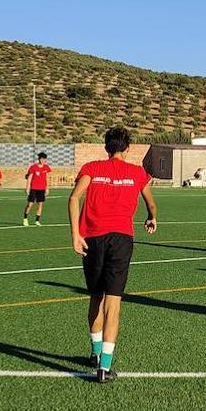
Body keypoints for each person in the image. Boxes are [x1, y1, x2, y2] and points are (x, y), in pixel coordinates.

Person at [67, 126, 157, 383]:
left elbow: (74, 198)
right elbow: (151, 203)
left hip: (92, 239)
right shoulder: (137, 173)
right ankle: (104, 367)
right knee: (113, 302)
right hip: (121, 239)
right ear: (127, 149)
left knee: (96, 297)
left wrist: (75, 235)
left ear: (106, 147)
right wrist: (151, 218)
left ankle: (95, 353)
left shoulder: (92, 169)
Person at [23, 152, 53, 226]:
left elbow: (47, 178)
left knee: (40, 205)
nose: (43, 160)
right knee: (30, 204)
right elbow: (29, 178)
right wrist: (27, 188)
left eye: (44, 159)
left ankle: (37, 220)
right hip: (33, 188)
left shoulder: (46, 167)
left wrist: (47, 188)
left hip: (42, 189)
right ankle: (25, 218)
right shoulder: (33, 167)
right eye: (41, 159)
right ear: (39, 159)